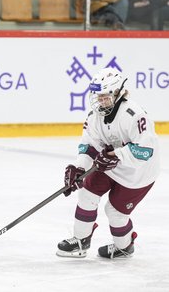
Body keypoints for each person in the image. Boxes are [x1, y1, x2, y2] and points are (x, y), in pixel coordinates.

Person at [57, 68, 159, 259]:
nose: (101, 101)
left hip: (138, 173)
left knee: (114, 212)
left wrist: (116, 154)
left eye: (106, 97)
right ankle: (80, 240)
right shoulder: (94, 117)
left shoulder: (134, 115)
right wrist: (79, 168)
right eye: (98, 97)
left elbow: (145, 151)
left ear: (118, 93)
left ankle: (124, 247)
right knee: (86, 193)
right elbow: (88, 146)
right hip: (110, 166)